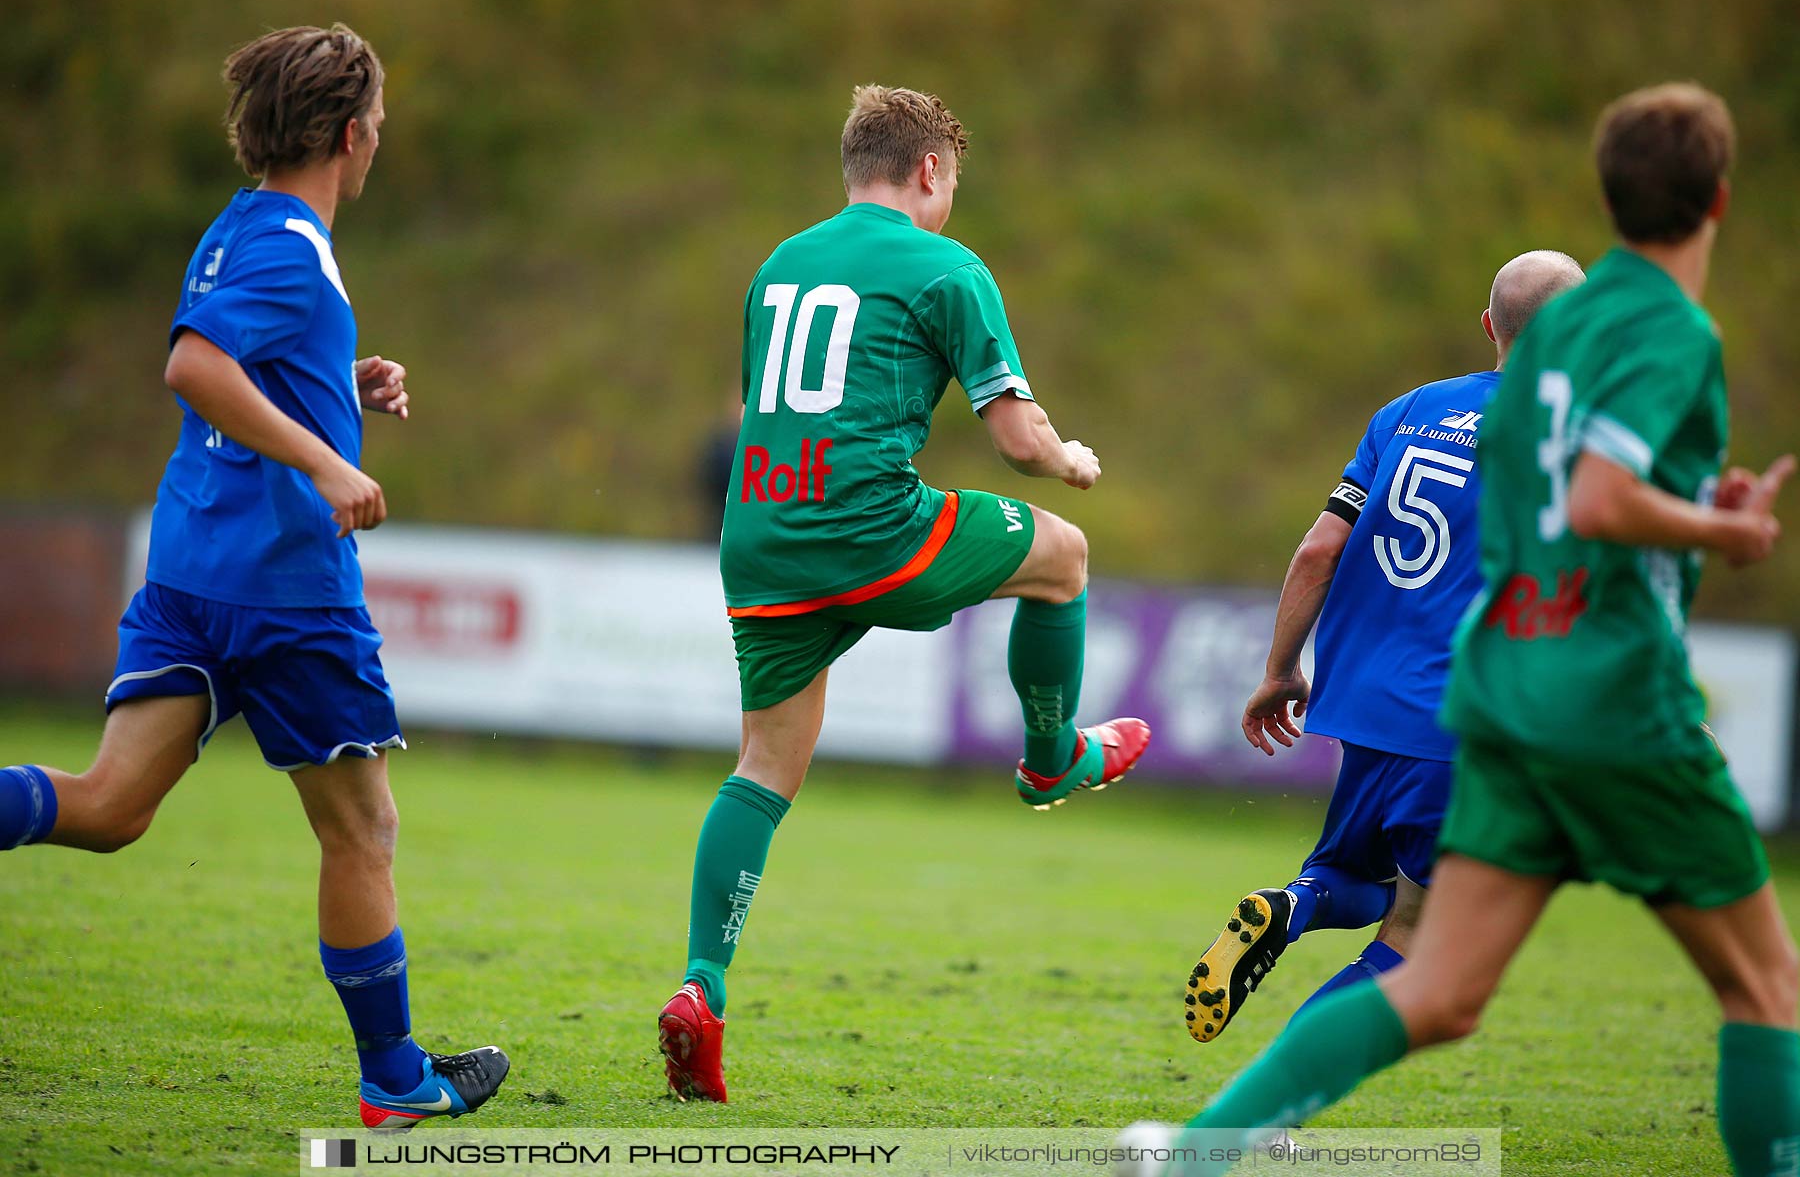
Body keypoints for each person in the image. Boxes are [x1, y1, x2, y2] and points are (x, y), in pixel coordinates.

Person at [1172, 83, 1797, 1177]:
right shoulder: (1660, 329)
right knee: (1765, 986)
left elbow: (1540, 500)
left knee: (1438, 985)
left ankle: (1199, 1153)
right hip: (1609, 699)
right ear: (1719, 203)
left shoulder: (1526, 359)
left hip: (1494, 695)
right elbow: (1600, 501)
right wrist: (1717, 530)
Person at [0, 25, 508, 1129]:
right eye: (376, 127)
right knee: (361, 830)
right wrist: (328, 458)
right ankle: (394, 1082)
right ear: (346, 131)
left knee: (111, 807)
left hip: (192, 567)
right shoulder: (291, 243)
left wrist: (337, 387)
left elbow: (235, 360)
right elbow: (192, 363)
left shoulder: (241, 229)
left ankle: (394, 1075)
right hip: (283, 590)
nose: (377, 144)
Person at [657, 85, 1151, 1103]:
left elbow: (760, 407)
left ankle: (701, 989)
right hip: (869, 525)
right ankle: (1051, 761)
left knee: (763, 763)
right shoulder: (948, 267)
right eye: (954, 182)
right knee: (1064, 555)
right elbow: (1016, 441)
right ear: (930, 171)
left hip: (760, 532)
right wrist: (1071, 460)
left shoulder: (779, 263)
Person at [1185, 251, 1584, 1044]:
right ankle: (1270, 1112)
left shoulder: (1408, 411)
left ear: (1489, 326)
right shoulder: (1567, 446)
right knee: (1418, 935)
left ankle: (1291, 907)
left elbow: (1317, 552)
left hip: (1365, 707)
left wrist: (1278, 670)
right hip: (1460, 723)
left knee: (1353, 878)